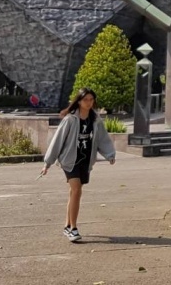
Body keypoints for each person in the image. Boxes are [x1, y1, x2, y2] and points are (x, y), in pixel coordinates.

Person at [40, 88, 116, 242]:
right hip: (70, 160)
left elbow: (102, 139)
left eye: (91, 100)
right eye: (85, 99)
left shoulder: (95, 120)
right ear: (79, 101)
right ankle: (73, 228)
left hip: (85, 160)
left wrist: (109, 154)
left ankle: (67, 225)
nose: (88, 103)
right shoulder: (70, 119)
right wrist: (47, 163)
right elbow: (57, 140)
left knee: (75, 192)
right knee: (76, 190)